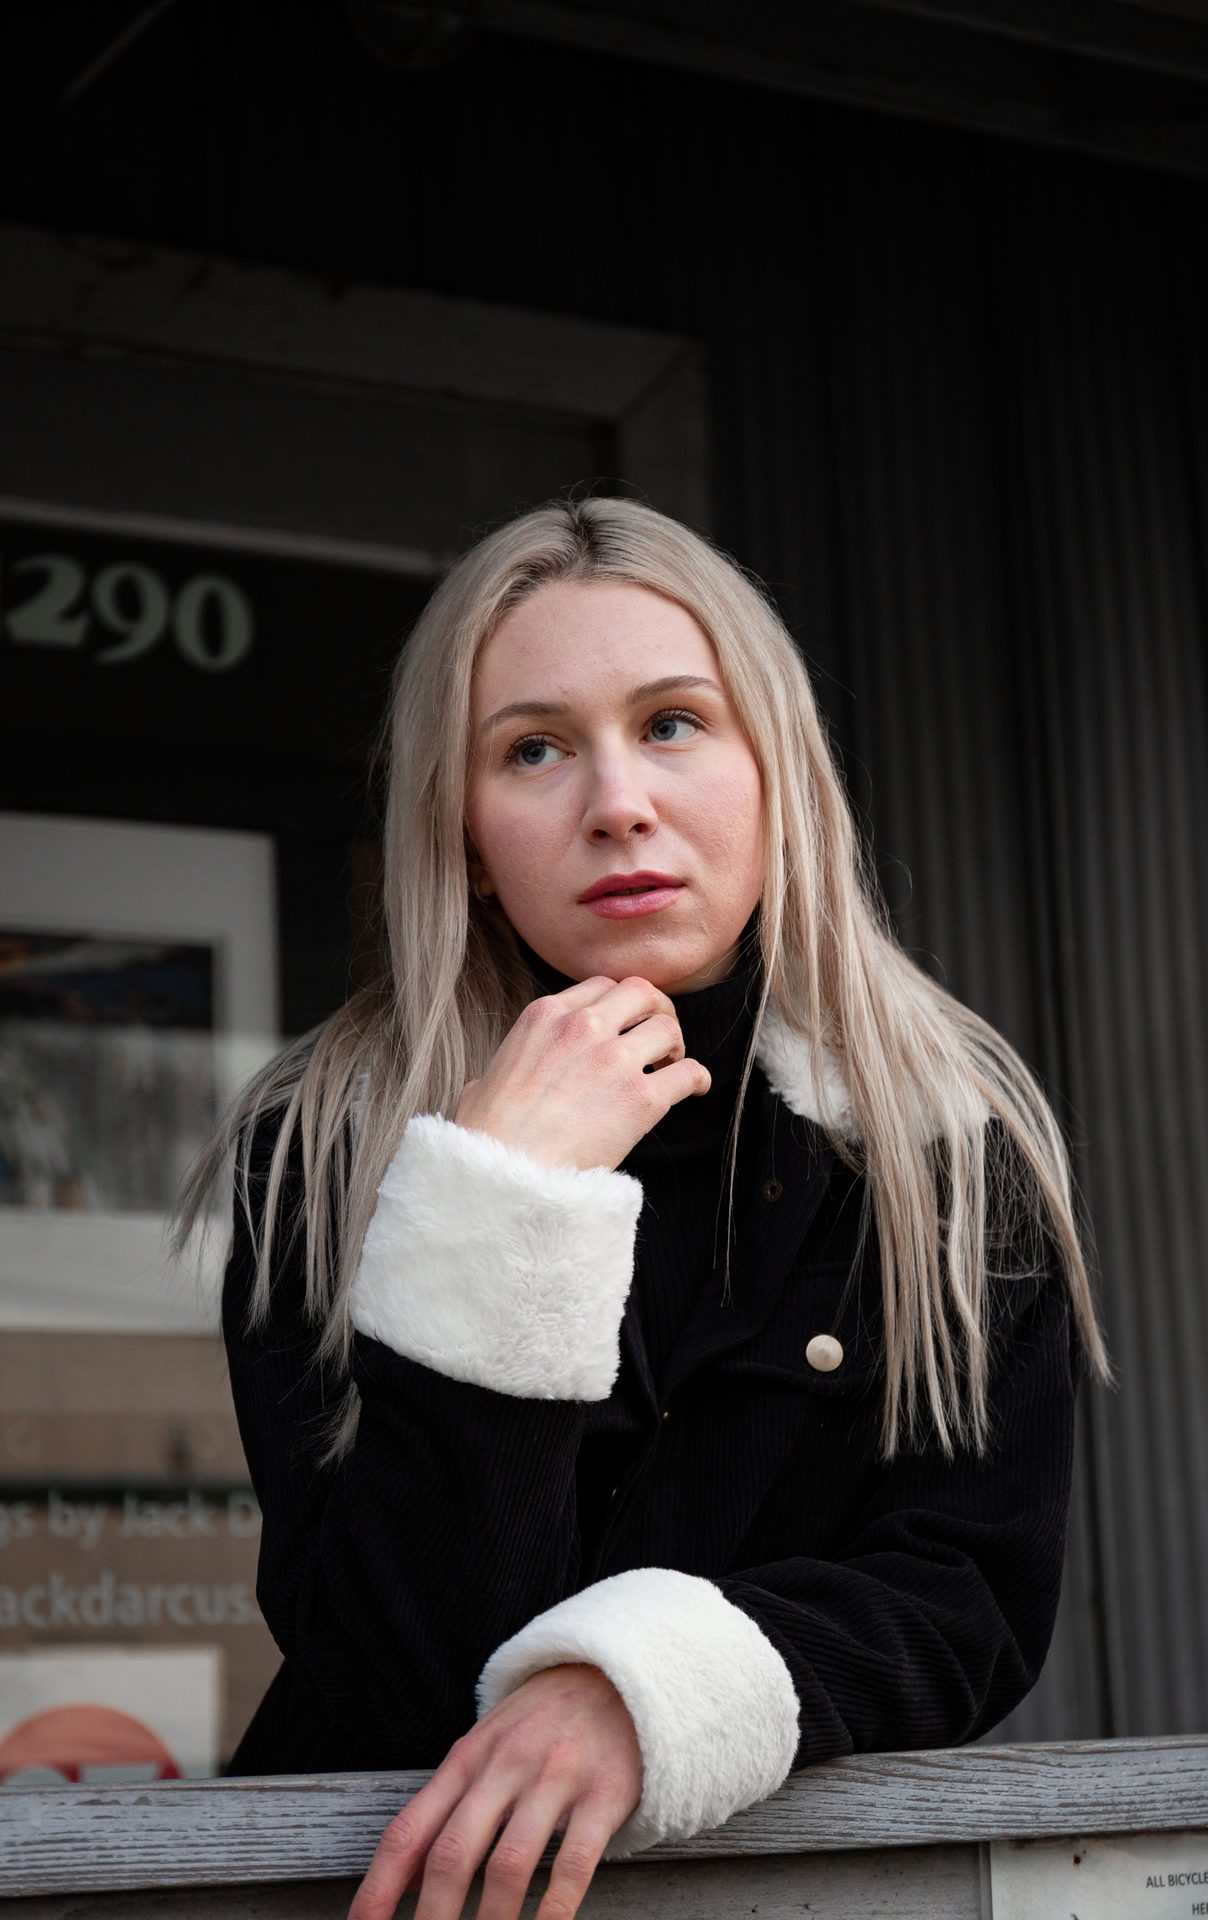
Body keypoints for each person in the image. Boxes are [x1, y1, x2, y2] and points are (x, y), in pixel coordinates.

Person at [173, 494, 1109, 1920]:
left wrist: (635, 1693)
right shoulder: (323, 1154)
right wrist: (507, 1201)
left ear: (774, 773)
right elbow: (389, 1667)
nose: (617, 802)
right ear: (466, 830)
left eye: (674, 721)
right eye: (533, 748)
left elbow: (968, 1599)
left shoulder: (942, 1145)